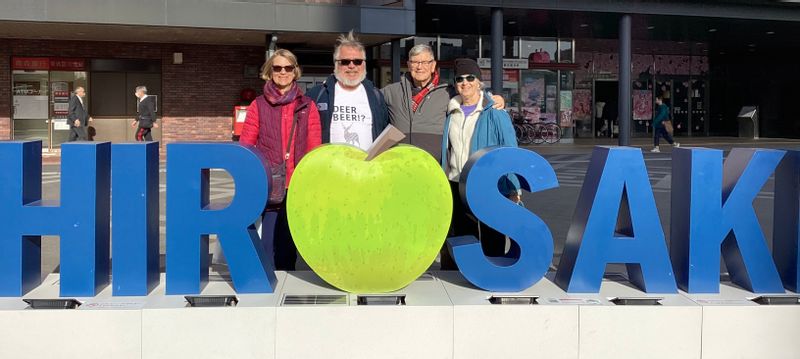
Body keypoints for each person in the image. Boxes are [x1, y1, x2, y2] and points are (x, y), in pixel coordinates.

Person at [240, 49, 322, 271]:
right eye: (277, 68)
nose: (282, 72)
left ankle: (285, 286)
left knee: (287, 245)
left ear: (295, 71)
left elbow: (314, 148)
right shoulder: (258, 105)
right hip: (269, 183)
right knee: (267, 243)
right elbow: (246, 146)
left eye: (288, 68)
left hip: (296, 184)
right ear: (269, 71)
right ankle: (267, 287)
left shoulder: (308, 106)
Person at [440, 58, 520, 268]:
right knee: (465, 236)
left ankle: (493, 276)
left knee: (492, 234)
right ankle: (469, 277)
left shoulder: (494, 111)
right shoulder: (451, 111)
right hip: (457, 183)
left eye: (470, 78)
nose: (465, 83)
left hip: (487, 184)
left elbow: (510, 149)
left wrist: (514, 187)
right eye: (460, 79)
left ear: (479, 82)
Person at [381, 43, 505, 160]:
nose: (419, 67)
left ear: (433, 65)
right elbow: (369, 100)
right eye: (415, 62)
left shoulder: (449, 93)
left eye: (424, 62)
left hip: (435, 169)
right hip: (398, 166)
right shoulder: (391, 92)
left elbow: (471, 95)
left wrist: (493, 99)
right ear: (408, 65)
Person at [307, 30, 388, 150]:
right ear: (336, 64)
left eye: (357, 61)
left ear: (364, 64)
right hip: (331, 167)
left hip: (366, 167)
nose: (352, 66)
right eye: (345, 62)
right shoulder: (317, 95)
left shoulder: (376, 96)